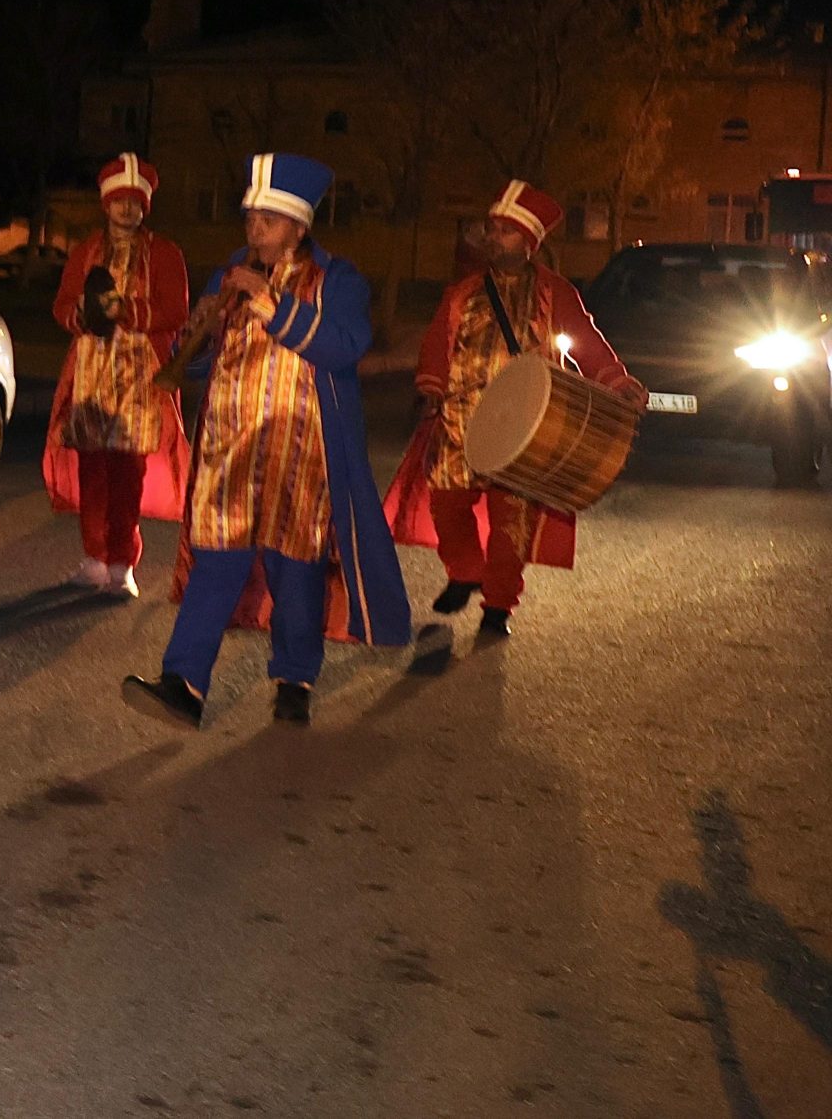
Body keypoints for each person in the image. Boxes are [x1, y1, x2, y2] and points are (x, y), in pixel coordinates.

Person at [122, 153, 411, 728]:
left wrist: (269, 300)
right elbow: (201, 365)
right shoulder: (231, 272)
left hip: (301, 451)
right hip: (229, 445)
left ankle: (295, 678)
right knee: (215, 561)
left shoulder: (338, 279)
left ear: (299, 227)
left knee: (295, 570)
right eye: (250, 218)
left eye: (268, 221)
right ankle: (183, 684)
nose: (254, 230)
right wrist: (198, 335)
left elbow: (345, 346)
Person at [384, 180, 645, 638]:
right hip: (459, 421)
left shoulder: (555, 291)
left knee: (512, 521)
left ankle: (499, 603)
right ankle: (465, 571)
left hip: (526, 426)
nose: (493, 239)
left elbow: (586, 341)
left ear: (528, 243)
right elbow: (437, 343)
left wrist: (616, 380)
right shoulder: (462, 291)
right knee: (447, 503)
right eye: (491, 230)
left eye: (504, 232)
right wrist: (431, 386)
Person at [43, 154, 190, 597]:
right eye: (119, 201)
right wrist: (81, 315)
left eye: (135, 202)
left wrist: (125, 311)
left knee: (128, 474)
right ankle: (94, 558)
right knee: (93, 471)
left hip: (139, 377)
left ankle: (123, 562)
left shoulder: (165, 253)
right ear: (105, 204)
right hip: (91, 373)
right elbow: (61, 304)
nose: (127, 209)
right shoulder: (85, 251)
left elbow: (176, 311)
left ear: (145, 206)